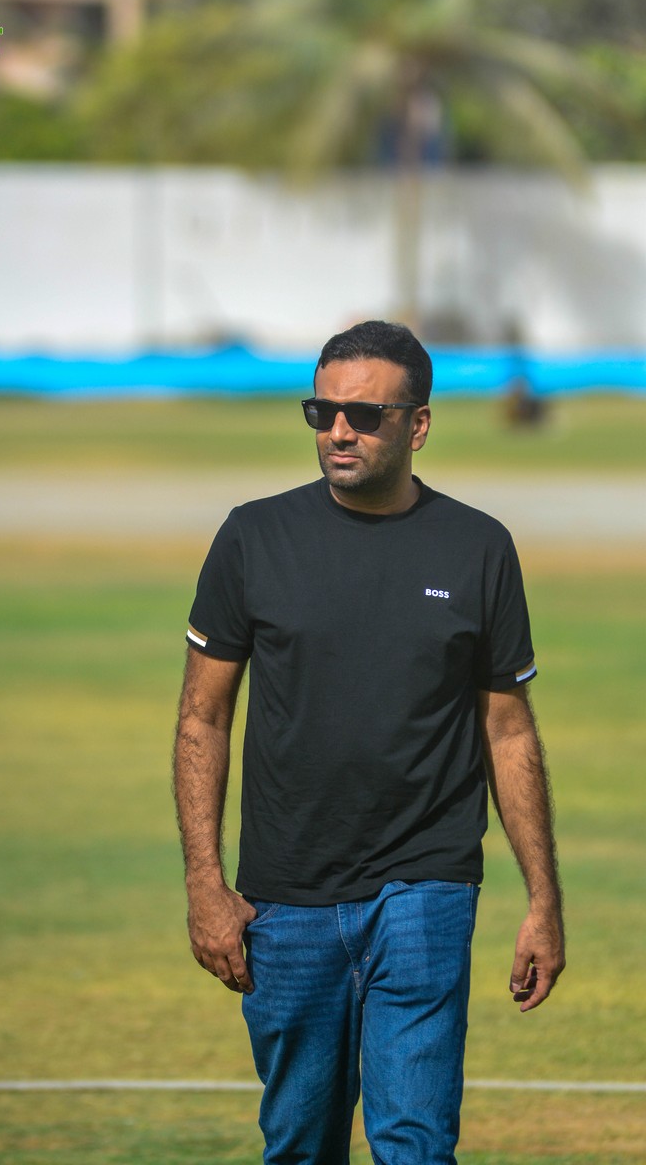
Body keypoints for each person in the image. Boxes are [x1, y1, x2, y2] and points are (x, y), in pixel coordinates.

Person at [172, 320, 565, 1165]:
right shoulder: (252, 537)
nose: (339, 431)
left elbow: (508, 731)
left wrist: (544, 899)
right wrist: (206, 884)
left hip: (427, 884)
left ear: (417, 426)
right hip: (286, 897)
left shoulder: (479, 547)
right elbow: (203, 717)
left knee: (416, 1145)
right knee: (301, 1145)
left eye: (364, 415)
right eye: (322, 412)